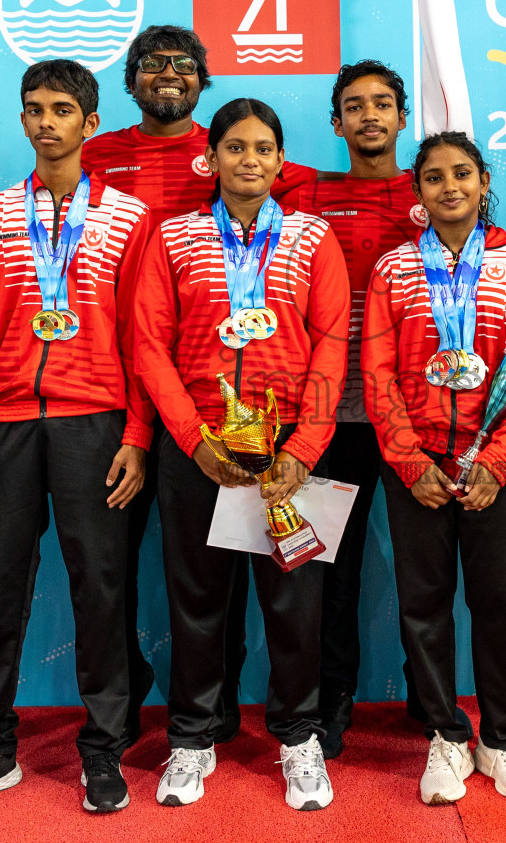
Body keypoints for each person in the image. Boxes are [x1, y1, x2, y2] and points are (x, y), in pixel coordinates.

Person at [0, 59, 153, 817]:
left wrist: (137, 434)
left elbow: (141, 338)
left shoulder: (129, 218)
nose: (46, 121)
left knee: (101, 587)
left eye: (62, 109)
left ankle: (104, 746)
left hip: (97, 423)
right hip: (7, 427)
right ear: (22, 121)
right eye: (34, 109)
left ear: (91, 123)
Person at [134, 98, 348, 811]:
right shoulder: (174, 237)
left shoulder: (313, 238)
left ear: (281, 161)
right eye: (234, 147)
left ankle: (298, 737)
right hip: (200, 450)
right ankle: (192, 739)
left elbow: (332, 346)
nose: (249, 159)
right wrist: (193, 441)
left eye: (262, 148)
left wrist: (306, 448)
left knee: (295, 604)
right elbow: (150, 346)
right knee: (196, 602)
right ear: (211, 158)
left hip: (288, 453)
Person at [362, 131, 506, 805]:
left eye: (462, 174)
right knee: (424, 606)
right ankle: (445, 735)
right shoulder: (392, 270)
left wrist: (499, 461)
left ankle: (501, 739)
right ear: (418, 190)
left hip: (494, 467)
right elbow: (377, 373)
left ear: (483, 182)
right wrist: (407, 460)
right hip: (418, 469)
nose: (450, 187)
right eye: (435, 177)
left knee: (499, 603)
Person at [79, 25, 248, 743]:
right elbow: (30, 210)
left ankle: (217, 708)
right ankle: (119, 700)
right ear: (131, 80)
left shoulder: (229, 148)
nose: (169, 74)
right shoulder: (95, 155)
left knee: (217, 566)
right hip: (109, 388)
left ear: (203, 81)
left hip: (199, 393)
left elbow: (299, 191)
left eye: (184, 64)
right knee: (108, 564)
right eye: (153, 64)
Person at [274, 59, 428, 756]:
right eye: (355, 106)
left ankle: (431, 699)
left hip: (412, 415)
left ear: (402, 118)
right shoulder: (306, 192)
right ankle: (331, 698)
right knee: (327, 568)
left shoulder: (434, 187)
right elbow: (223, 155)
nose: (370, 115)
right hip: (328, 415)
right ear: (336, 124)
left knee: (425, 564)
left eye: (383, 104)